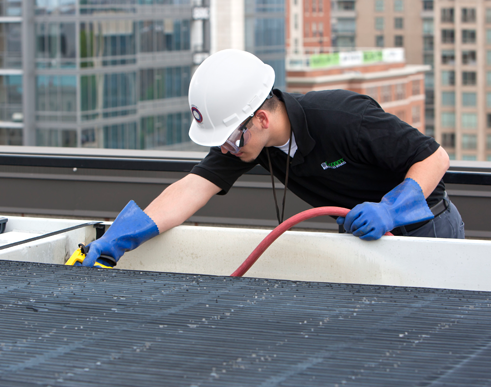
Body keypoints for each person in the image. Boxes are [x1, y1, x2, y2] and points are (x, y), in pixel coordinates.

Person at [81, 49, 465, 268]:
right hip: (366, 238)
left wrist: (391, 208)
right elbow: (191, 189)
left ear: (261, 118)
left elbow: (435, 157)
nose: (227, 149)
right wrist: (125, 233)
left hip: (425, 229)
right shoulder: (253, 142)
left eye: (230, 139)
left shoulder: (343, 117)